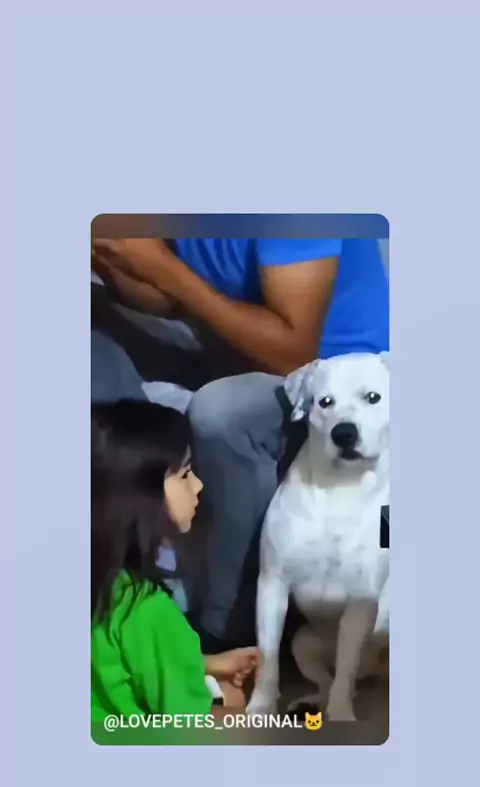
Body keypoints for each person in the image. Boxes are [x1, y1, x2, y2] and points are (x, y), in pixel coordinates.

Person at [91, 237, 389, 653]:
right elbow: (167, 301)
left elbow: (292, 353)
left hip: (326, 382)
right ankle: (117, 599)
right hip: (222, 345)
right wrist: (111, 257)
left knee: (221, 413)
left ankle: (227, 631)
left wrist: (163, 268)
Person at [91, 399, 260, 722]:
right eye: (184, 474)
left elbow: (116, 660)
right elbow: (192, 731)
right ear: (136, 495)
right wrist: (229, 704)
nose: (198, 485)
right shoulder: (147, 608)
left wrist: (202, 662)